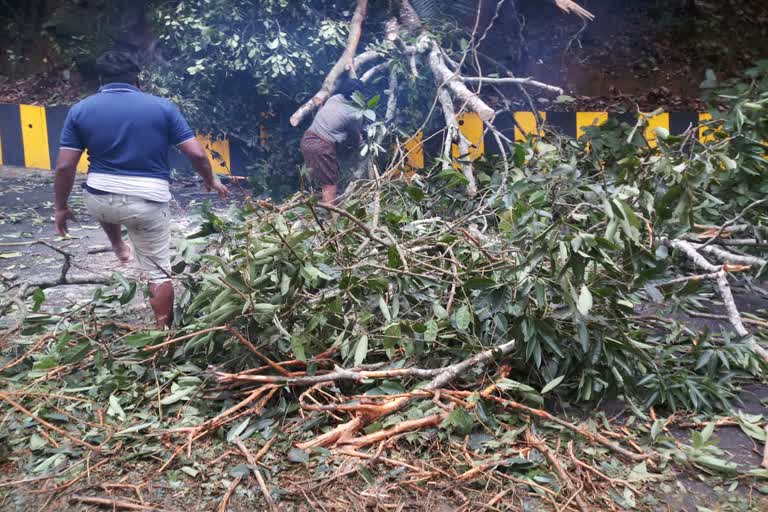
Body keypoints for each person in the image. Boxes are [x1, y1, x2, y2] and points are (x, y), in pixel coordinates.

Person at [53, 50, 229, 328]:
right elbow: (196, 155)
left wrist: (61, 207)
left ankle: (117, 244)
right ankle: (162, 336)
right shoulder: (162, 107)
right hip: (146, 203)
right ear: (138, 81)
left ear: (101, 81)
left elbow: (64, 167)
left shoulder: (80, 109)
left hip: (98, 199)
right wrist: (210, 179)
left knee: (105, 201)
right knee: (159, 273)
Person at [300, 77, 365, 203]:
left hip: (306, 139)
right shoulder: (354, 114)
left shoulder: (334, 98)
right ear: (360, 96)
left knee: (323, 176)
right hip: (321, 146)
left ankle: (320, 204)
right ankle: (331, 215)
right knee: (330, 182)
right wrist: (362, 141)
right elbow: (355, 139)